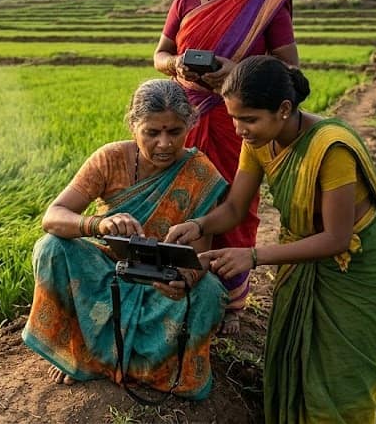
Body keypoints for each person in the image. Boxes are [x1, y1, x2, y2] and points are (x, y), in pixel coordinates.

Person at [175, 56, 376, 421]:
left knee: (343, 376)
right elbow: (234, 208)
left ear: (283, 109)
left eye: (248, 119)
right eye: (234, 118)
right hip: (303, 256)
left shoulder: (331, 148)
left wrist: (254, 255)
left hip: (356, 267)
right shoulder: (259, 140)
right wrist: (199, 226)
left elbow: (337, 238)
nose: (239, 129)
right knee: (295, 361)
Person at [22, 79, 228, 400]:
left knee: (211, 292)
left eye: (174, 132)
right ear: (134, 126)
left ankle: (149, 368)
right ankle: (80, 352)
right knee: (50, 247)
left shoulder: (201, 173)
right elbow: (53, 217)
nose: (164, 143)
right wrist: (98, 224)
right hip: (109, 274)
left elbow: (200, 255)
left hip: (161, 283)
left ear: (190, 124)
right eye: (152, 132)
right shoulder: (110, 159)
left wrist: (184, 280)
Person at [152, 0, 300, 334]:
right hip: (183, 117)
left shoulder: (266, 6)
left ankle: (231, 302)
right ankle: (171, 291)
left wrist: (239, 70)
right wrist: (177, 64)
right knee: (177, 201)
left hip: (234, 122)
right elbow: (159, 55)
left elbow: (290, 70)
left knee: (232, 207)